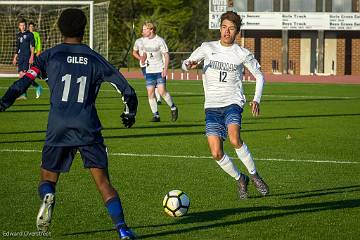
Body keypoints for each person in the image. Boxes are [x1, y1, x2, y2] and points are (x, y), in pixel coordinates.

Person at [1, 9, 137, 239]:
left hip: (58, 126)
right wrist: (129, 113)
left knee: (47, 178)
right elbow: (128, 90)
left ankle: (48, 195)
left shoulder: (50, 56)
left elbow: (24, 82)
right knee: (104, 183)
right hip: (87, 126)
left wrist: (5, 102)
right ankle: (123, 229)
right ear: (84, 30)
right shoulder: (94, 57)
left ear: (59, 29)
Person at [182, 11, 269, 199]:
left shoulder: (242, 53)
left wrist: (256, 99)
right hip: (212, 105)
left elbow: (260, 76)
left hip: (233, 102)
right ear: (219, 28)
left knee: (235, 139)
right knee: (215, 152)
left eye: (231, 28)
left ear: (237, 31)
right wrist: (188, 65)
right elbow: (186, 63)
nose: (226, 31)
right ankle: (241, 179)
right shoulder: (207, 47)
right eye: (223, 27)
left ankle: (254, 176)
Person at [141, 21, 178, 122]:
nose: (142, 31)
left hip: (159, 70)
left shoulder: (160, 41)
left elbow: (166, 55)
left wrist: (165, 69)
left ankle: (173, 108)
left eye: (145, 29)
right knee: (150, 93)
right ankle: (156, 115)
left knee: (162, 92)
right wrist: (143, 58)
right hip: (149, 70)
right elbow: (145, 52)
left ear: (151, 30)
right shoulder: (144, 41)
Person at [12, 18, 42, 99]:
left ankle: (37, 86)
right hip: (20, 57)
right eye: (21, 25)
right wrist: (15, 57)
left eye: (24, 25)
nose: (23, 27)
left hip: (27, 57)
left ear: (26, 25)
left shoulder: (30, 34)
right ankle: (24, 94)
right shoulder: (18, 35)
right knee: (21, 76)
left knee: (25, 76)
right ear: (19, 26)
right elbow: (18, 47)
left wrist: (32, 56)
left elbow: (33, 46)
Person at [132, 31, 162, 105]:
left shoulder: (154, 40)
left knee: (156, 82)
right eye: (143, 30)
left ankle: (158, 99)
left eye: (146, 30)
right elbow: (134, 52)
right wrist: (140, 58)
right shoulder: (138, 41)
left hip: (154, 64)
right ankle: (154, 98)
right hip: (144, 65)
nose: (144, 32)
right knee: (151, 83)